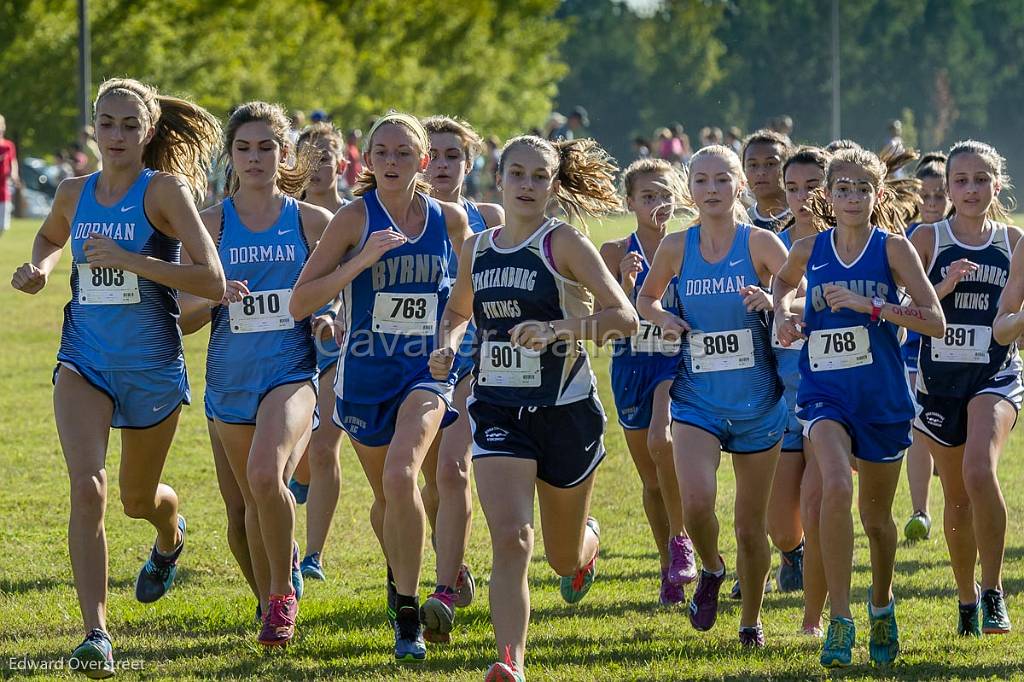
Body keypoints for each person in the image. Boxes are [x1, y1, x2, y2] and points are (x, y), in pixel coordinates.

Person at [9, 77, 224, 677]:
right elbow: (53, 234)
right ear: (94, 128)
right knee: (88, 488)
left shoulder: (165, 193)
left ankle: (169, 533)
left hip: (152, 365)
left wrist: (130, 259)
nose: (118, 135)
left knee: (136, 499)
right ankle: (96, 633)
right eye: (108, 123)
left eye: (131, 125)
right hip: (85, 359)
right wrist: (42, 267)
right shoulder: (75, 192)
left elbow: (211, 278)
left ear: (148, 131)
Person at [430, 134, 636, 681]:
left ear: (552, 184)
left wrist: (558, 330)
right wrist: (449, 345)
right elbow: (456, 310)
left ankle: (586, 545)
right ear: (497, 180)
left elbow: (624, 319)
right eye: (516, 174)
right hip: (497, 409)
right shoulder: (476, 247)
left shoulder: (562, 243)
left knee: (561, 556)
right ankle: (511, 662)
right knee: (513, 538)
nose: (526, 185)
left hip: (566, 409)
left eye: (538, 177)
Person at [290, 111, 471, 662]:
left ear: (423, 161)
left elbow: (462, 305)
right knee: (388, 499)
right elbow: (301, 302)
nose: (391, 162)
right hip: (364, 375)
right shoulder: (351, 218)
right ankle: (401, 571)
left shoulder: (452, 220)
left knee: (402, 475)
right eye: (381, 153)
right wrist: (363, 259)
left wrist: (450, 340)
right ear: (366, 161)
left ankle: (410, 616)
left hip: (425, 374)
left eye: (403, 153)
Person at [773, 146, 944, 667]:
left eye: (862, 189)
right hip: (825, 392)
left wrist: (872, 306)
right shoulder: (808, 249)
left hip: (883, 398)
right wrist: (782, 313)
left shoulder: (894, 250)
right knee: (834, 488)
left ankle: (881, 604)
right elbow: (781, 284)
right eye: (842, 189)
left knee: (876, 520)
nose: (852, 197)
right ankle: (840, 620)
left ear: (878, 194)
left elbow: (933, 320)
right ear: (828, 194)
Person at [189, 102, 332, 648]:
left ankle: (281, 597)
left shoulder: (310, 221)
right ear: (230, 155)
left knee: (266, 475)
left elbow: (334, 295)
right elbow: (181, 317)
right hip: (228, 379)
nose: (255, 158)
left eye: (266, 147)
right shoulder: (210, 224)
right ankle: (268, 596)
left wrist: (326, 316)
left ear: (284, 153)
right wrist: (212, 296)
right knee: (240, 515)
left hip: (290, 374)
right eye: (244, 148)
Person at [638, 144, 790, 648]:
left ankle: (750, 621)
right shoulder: (677, 247)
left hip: (758, 402)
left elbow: (803, 289)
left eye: (722, 180)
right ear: (689, 188)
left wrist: (774, 301)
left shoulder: (761, 243)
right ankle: (710, 568)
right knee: (698, 502)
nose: (711, 190)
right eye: (701, 181)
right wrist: (663, 318)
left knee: (751, 527)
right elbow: (647, 298)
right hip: (696, 399)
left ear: (738, 186)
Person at [916, 141, 1021, 636]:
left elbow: (1006, 323)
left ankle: (995, 590)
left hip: (994, 375)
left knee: (980, 470)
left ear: (996, 185)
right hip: (938, 383)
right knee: (956, 498)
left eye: (982, 179)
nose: (972, 189)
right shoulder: (927, 240)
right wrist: (942, 289)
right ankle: (966, 599)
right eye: (962, 180)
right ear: (948, 187)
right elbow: (900, 311)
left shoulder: (1013, 241)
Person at [416, 114, 505, 643]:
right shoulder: (396, 218)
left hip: (471, 364)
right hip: (406, 365)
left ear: (468, 165)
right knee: (427, 483)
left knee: (452, 471)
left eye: (454, 155)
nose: (444, 164)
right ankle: (454, 563)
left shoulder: (488, 218)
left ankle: (443, 589)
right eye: (435, 154)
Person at [600, 158, 697, 606]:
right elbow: (610, 321)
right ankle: (668, 566)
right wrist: (625, 282)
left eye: (664, 194)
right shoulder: (616, 251)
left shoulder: (691, 247)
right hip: (632, 364)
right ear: (630, 202)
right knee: (652, 479)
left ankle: (683, 540)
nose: (659, 203)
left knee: (664, 441)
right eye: (648, 196)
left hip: (678, 363)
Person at [769, 147, 831, 636]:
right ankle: (795, 553)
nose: (801, 197)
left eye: (812, 186)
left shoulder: (850, 243)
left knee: (824, 498)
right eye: (792, 188)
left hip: (834, 391)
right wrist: (763, 305)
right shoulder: (771, 246)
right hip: (782, 391)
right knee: (780, 524)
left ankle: (827, 605)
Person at [285, 122, 350, 583]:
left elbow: (357, 282)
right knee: (299, 457)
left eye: (326, 158)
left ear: (341, 164)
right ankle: (299, 483)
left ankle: (313, 556)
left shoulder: (356, 217)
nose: (320, 167)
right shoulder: (288, 217)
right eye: (310, 159)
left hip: (337, 345)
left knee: (325, 447)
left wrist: (335, 315)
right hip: (287, 342)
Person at [902, 152, 951, 542]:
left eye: (940, 195)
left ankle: (957, 502)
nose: (933, 203)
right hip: (915, 351)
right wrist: (943, 289)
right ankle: (920, 511)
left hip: (961, 357)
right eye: (926, 196)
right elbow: (905, 304)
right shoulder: (908, 240)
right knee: (918, 430)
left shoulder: (964, 235)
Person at [742, 130, 792, 232]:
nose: (761, 172)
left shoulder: (803, 218)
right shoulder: (741, 223)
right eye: (753, 165)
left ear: (787, 168)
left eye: (770, 164)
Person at [0, 113, 21, 234]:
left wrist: (15, 175)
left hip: (4, 188)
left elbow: (13, 161)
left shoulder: (8, 145)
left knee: (3, 226)